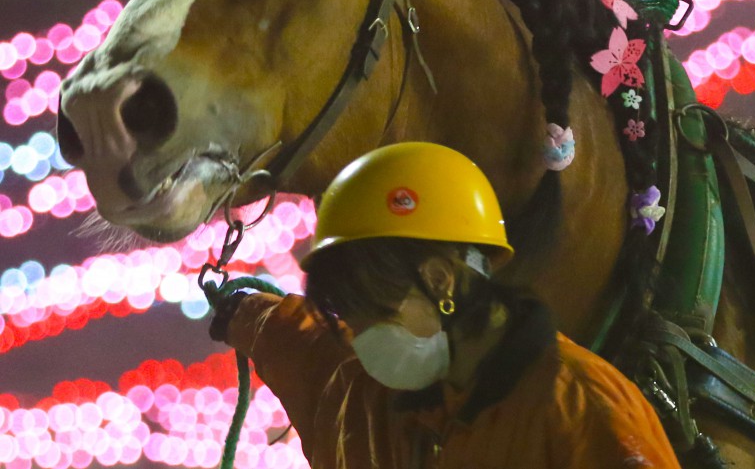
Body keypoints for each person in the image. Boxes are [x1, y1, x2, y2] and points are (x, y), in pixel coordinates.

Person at [210, 142, 681, 468]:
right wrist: (243, 312)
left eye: (369, 313)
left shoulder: (579, 410)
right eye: (348, 320)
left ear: (440, 281)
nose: (362, 343)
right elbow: (306, 350)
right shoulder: (371, 400)